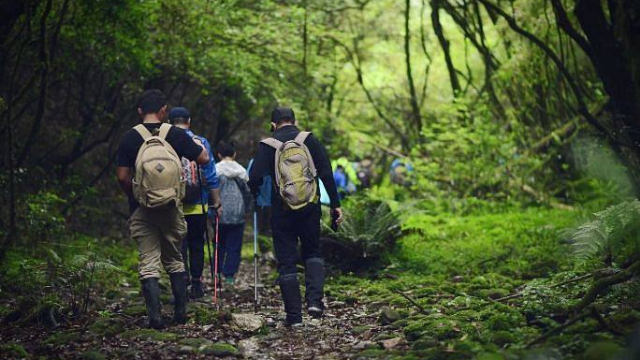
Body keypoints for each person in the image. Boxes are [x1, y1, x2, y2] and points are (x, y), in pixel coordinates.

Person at [116, 89, 210, 329]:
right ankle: (180, 312)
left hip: (141, 210)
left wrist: (137, 196)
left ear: (139, 111)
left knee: (148, 261)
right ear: (163, 110)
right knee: (175, 259)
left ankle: (155, 317)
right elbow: (204, 159)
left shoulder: (129, 137)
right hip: (171, 208)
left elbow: (122, 176)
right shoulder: (176, 134)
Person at [249, 106, 343, 327]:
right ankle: (315, 305)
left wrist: (257, 195)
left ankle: (294, 317)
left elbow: (254, 177)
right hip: (311, 206)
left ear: (273, 124)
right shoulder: (309, 139)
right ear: (294, 120)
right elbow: (327, 173)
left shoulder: (267, 145)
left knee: (286, 261)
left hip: (282, 210)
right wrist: (336, 205)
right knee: (313, 251)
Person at [168, 107, 222, 299]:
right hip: (199, 203)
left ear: (169, 121)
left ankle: (182, 281)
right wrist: (216, 202)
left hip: (174, 203)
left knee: (178, 243)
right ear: (189, 121)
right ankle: (197, 284)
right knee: (197, 243)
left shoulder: (166, 140)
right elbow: (210, 174)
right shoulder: (201, 142)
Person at [216, 142, 252, 286]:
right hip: (238, 213)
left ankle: (217, 272)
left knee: (219, 243)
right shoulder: (241, 171)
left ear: (218, 154)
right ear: (234, 154)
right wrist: (247, 209)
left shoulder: (215, 170)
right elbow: (248, 192)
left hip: (220, 212)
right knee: (234, 245)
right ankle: (230, 276)